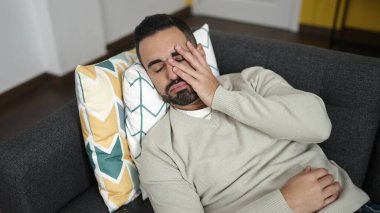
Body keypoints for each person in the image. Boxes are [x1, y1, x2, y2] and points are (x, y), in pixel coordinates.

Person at [134, 14, 372, 213]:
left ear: (200, 53)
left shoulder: (252, 80)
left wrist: (220, 97)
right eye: (157, 67)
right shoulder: (159, 149)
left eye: (179, 57)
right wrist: (284, 203)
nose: (173, 73)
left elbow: (319, 127)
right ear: (149, 77)